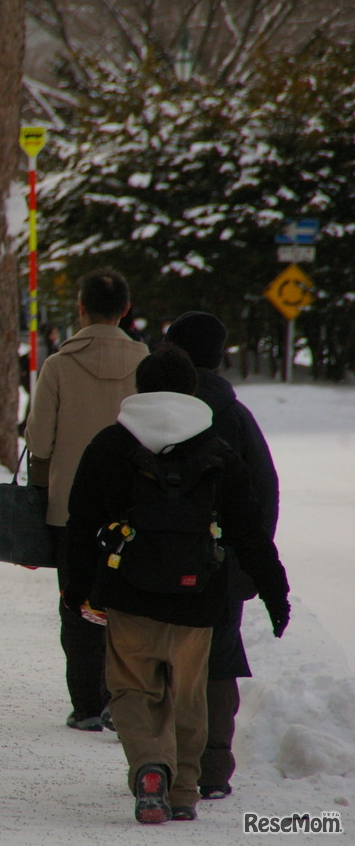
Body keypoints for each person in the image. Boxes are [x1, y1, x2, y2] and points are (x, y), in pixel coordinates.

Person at [62, 346, 290, 824]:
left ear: (139, 387)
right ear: (192, 389)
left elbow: (81, 525)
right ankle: (185, 790)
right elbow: (248, 530)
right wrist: (274, 591)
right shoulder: (218, 450)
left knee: (131, 691)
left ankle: (149, 767)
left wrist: (74, 590)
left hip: (128, 595)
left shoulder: (109, 445)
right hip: (199, 598)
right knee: (188, 695)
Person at [25, 268, 150, 732]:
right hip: (132, 505)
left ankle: (85, 704)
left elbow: (39, 440)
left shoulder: (59, 365)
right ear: (125, 309)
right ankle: (122, 695)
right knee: (126, 603)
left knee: (76, 601)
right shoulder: (146, 362)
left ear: (80, 307)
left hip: (69, 508)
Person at [161, 311, 279, 801]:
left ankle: (164, 762)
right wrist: (248, 563)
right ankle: (212, 767)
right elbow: (264, 492)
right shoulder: (236, 416)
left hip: (160, 561)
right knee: (218, 659)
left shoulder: (157, 412)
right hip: (222, 561)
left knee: (161, 658)